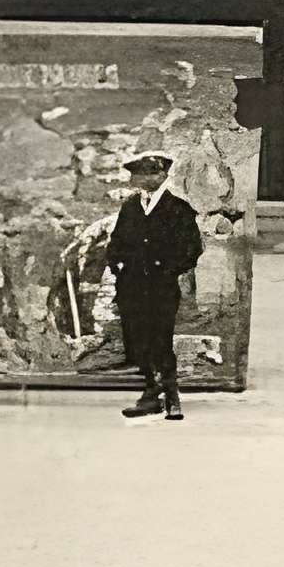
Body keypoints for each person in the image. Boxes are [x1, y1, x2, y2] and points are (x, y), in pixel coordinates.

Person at [105, 148, 202, 420]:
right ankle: (150, 393)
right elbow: (116, 242)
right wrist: (118, 266)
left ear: (161, 175)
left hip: (161, 288)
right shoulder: (130, 208)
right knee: (138, 339)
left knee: (161, 338)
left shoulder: (179, 209)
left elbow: (192, 249)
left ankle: (171, 396)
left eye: (146, 173)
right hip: (132, 287)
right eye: (137, 174)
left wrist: (167, 270)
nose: (139, 179)